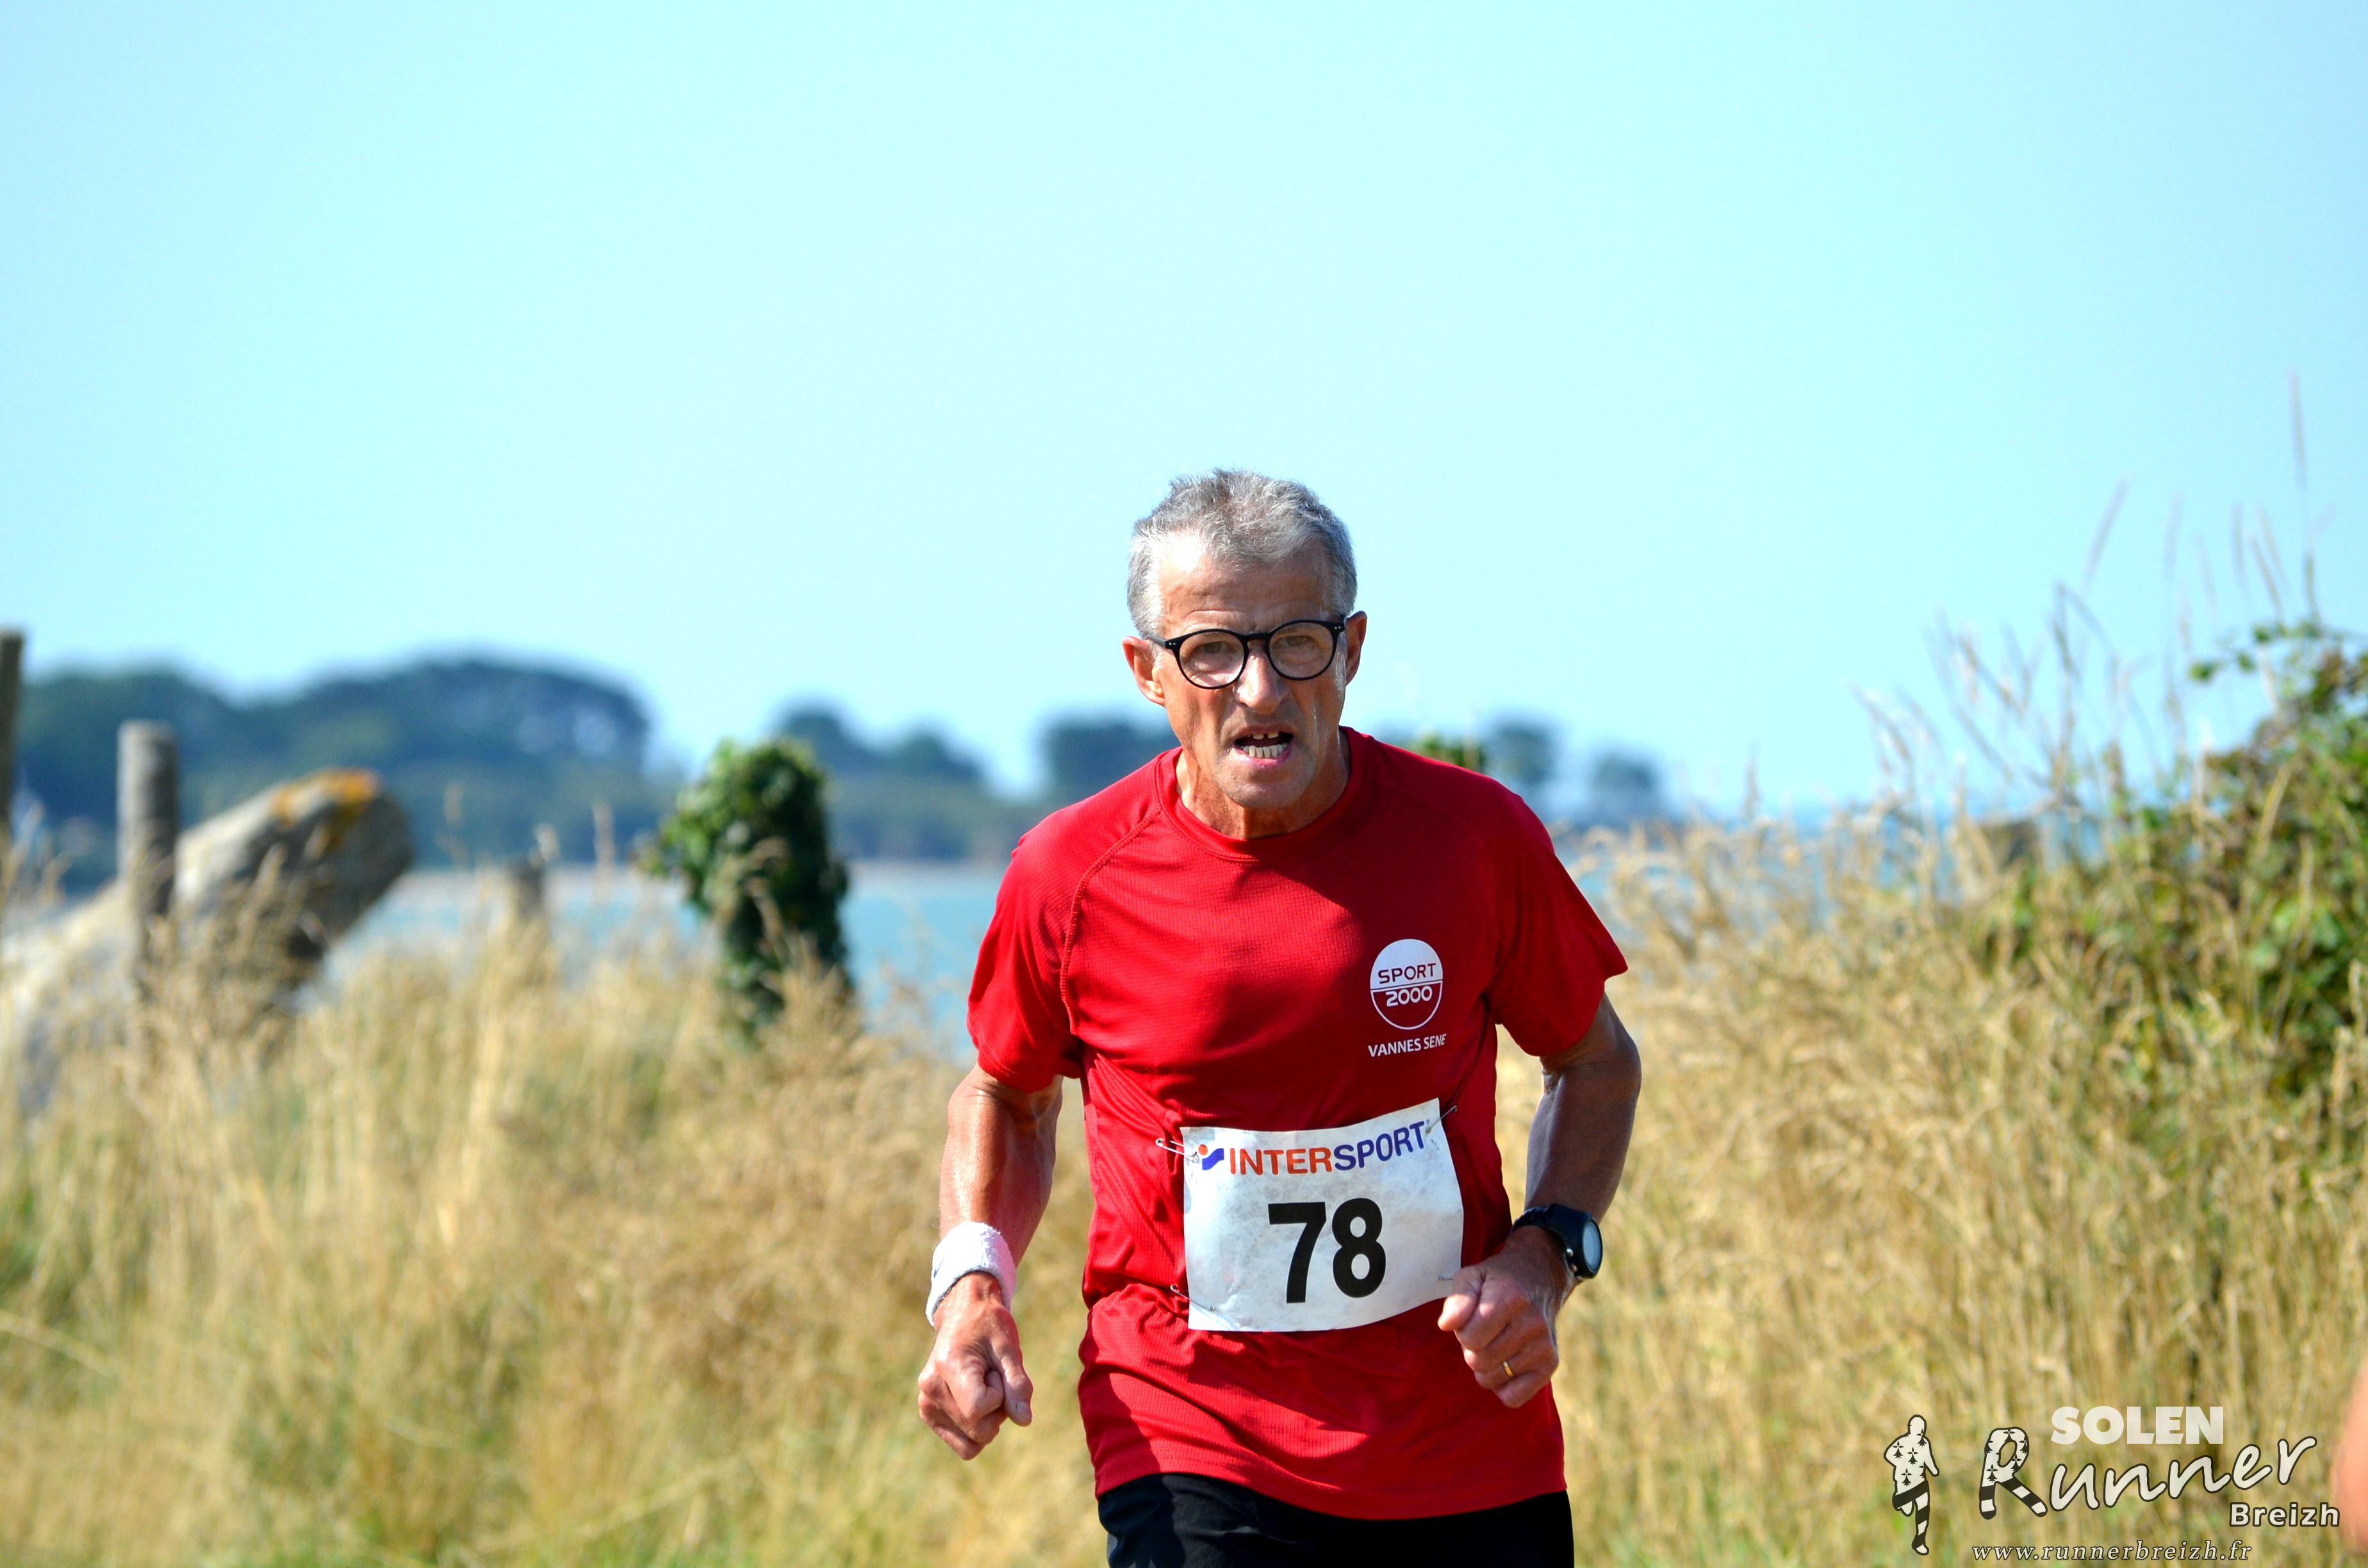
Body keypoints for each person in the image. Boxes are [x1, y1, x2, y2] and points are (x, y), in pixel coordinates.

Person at [914, 471, 1643, 1566]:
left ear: (1351, 651)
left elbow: (1595, 1063)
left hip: (1462, 1438)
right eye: (1212, 651)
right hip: (1189, 1429)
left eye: (1298, 643)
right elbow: (1008, 1098)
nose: (1260, 690)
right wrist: (972, 1286)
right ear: (1148, 672)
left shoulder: (1473, 840)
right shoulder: (1071, 870)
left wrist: (1545, 1256)